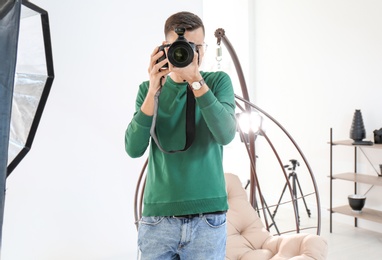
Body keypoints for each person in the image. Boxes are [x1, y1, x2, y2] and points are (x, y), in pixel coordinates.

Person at [125, 11, 236, 260]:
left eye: (196, 47)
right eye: (182, 47)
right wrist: (154, 88)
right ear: (166, 48)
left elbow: (226, 134)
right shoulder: (148, 89)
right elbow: (133, 148)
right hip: (157, 219)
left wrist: (196, 81)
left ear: (204, 49)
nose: (190, 53)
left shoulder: (218, 82)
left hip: (208, 218)